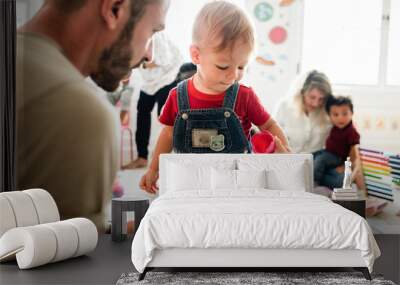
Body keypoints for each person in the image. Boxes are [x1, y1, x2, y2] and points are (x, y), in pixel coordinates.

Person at [16, 0, 169, 230]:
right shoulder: (77, 114)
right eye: (152, 32)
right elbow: (71, 257)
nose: (149, 55)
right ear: (114, 8)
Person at [140, 1, 290, 194]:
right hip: (190, 185)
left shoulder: (244, 96)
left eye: (241, 67)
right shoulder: (177, 96)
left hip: (238, 186)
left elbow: (268, 125)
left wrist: (286, 154)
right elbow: (168, 134)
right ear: (196, 55)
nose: (234, 75)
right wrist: (153, 169)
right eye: (223, 66)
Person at [126, 31, 184, 169]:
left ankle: (168, 158)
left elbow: (164, 60)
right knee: (142, 113)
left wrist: (143, 63)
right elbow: (139, 61)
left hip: (168, 78)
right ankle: (142, 157)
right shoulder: (136, 36)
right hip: (149, 82)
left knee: (165, 118)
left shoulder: (158, 36)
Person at [274, 70, 332, 154]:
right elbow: (274, 138)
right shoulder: (284, 107)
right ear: (302, 92)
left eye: (321, 99)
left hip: (315, 164)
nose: (316, 104)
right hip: (287, 160)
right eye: (312, 97)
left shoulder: (329, 112)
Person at [313, 95, 361, 189]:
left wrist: (345, 166)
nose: (340, 118)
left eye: (345, 114)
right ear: (330, 116)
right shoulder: (335, 127)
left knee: (320, 160)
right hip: (327, 153)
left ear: (351, 113)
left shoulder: (351, 131)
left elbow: (354, 153)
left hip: (337, 157)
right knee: (311, 157)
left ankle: (315, 181)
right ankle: (321, 178)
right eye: (335, 115)